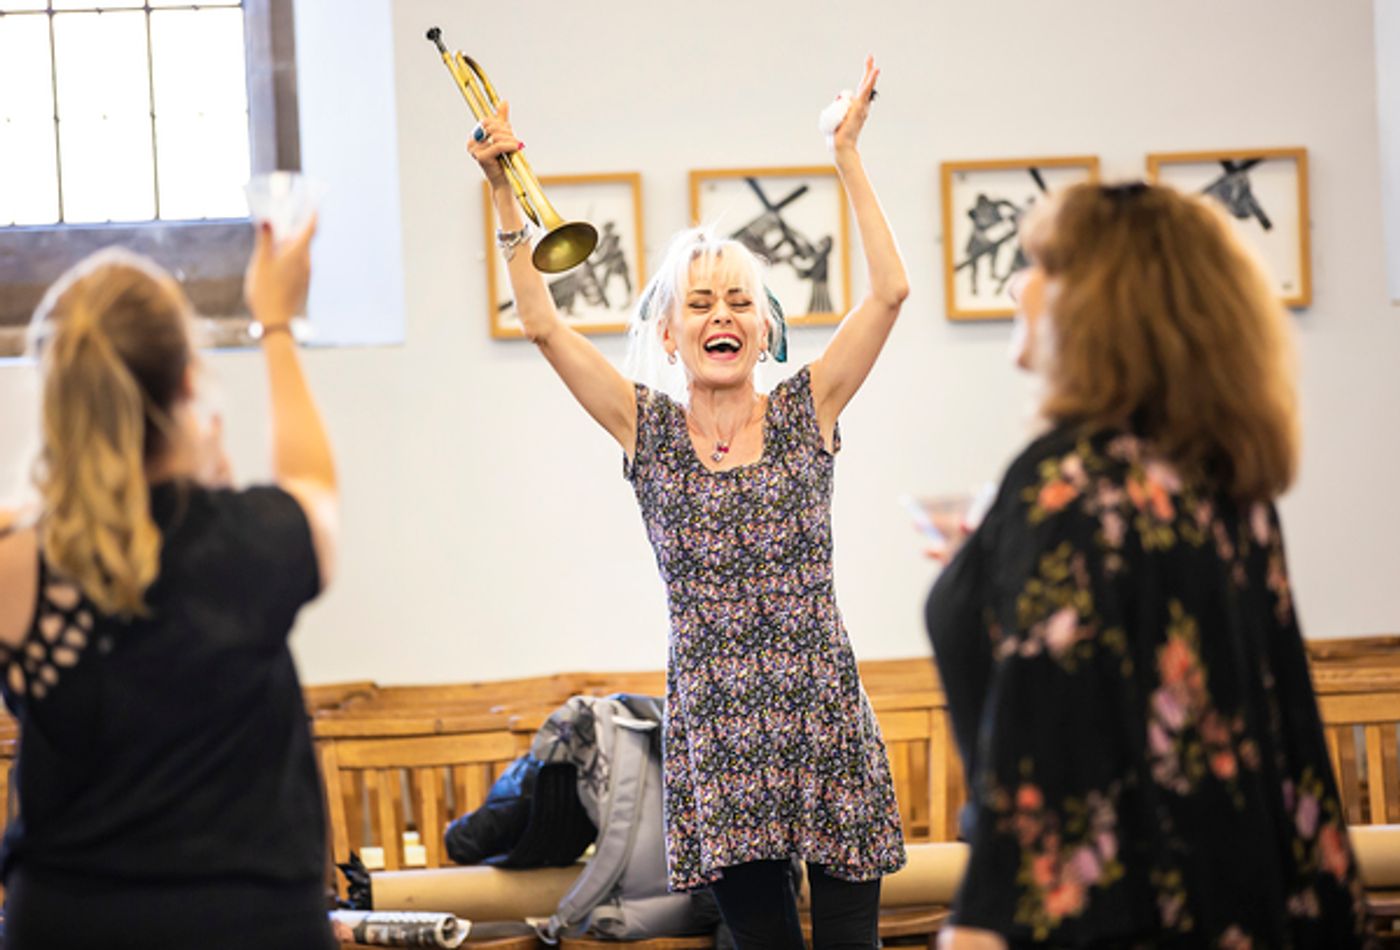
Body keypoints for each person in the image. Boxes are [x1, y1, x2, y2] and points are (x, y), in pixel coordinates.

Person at [468, 58, 908, 948]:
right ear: (669, 333)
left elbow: (891, 292)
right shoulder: (648, 428)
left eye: (740, 301)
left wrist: (846, 153)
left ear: (762, 325)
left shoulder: (806, 408)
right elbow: (544, 324)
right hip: (719, 734)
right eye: (701, 301)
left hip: (823, 716)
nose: (723, 313)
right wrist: (502, 194)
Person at [925, 181, 1371, 948]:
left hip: (1104, 920)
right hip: (1235, 907)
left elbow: (1045, 749)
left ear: (1097, 302)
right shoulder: (1218, 486)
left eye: (1038, 264)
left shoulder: (1066, 486)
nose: (1015, 284)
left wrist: (976, 932)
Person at [0, 217, 339, 949]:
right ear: (190, 382)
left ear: (61, 396)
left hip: (67, 920)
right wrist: (275, 324)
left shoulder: (17, 560)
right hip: (250, 921)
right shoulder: (252, 540)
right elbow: (314, 485)